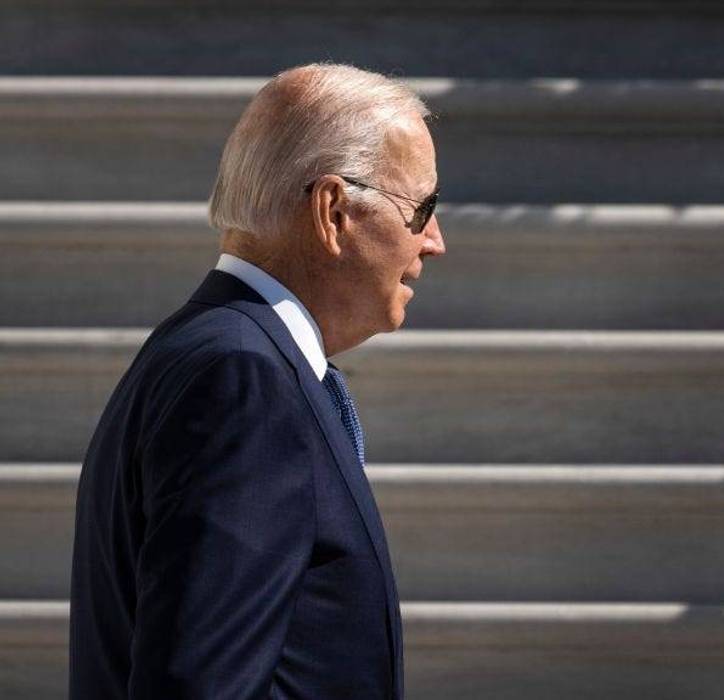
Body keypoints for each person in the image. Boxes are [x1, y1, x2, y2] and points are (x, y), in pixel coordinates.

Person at [68, 63, 445, 699]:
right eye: (423, 209)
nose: (434, 241)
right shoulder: (243, 378)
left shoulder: (208, 350)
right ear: (333, 212)